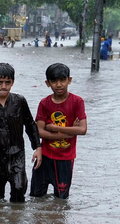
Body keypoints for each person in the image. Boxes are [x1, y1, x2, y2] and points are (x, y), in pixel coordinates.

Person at [0, 63, 42, 203]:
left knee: (18, 189)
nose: (3, 86)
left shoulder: (20, 101)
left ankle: (15, 221)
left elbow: (30, 125)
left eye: (7, 82)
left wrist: (37, 147)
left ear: (13, 82)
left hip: (17, 154)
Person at [30, 63, 87, 200]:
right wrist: (70, 133)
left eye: (63, 80)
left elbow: (83, 129)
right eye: (54, 81)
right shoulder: (44, 103)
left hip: (65, 159)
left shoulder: (77, 102)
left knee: (61, 200)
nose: (59, 84)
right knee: (35, 198)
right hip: (44, 158)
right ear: (47, 83)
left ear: (69, 80)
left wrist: (56, 128)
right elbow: (39, 131)